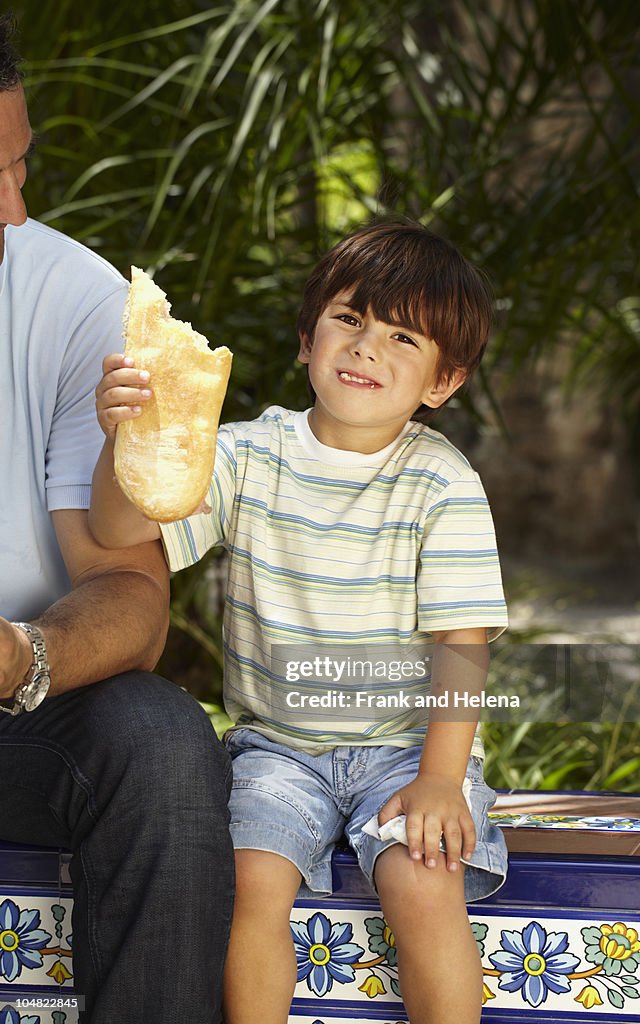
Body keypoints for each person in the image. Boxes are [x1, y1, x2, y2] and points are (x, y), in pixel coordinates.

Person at [91, 220, 509, 1024]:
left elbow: (461, 643)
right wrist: (126, 441)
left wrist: (437, 780)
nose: (365, 348)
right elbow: (121, 530)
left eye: (401, 336)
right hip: (278, 748)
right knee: (248, 882)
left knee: (425, 886)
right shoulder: (246, 455)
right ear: (305, 337)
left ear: (442, 382)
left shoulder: (441, 483)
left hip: (405, 749)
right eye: (349, 319)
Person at [0, 14, 233, 1024]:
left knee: (164, 740)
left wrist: (22, 655)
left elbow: (133, 594)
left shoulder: (76, 301)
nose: (10, 212)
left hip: (23, 718)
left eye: (17, 168)